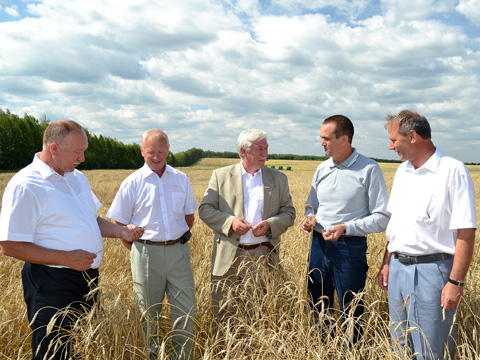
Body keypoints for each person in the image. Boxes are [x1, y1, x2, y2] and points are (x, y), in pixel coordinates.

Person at [0, 119, 144, 360]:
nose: (83, 158)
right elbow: (9, 244)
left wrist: (121, 232)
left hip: (87, 279)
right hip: (51, 283)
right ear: (54, 148)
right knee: (54, 352)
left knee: (82, 345)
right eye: (78, 152)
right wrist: (67, 259)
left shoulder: (75, 178)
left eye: (84, 151)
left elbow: (91, 219)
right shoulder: (26, 185)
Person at [377, 110, 476, 360]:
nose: (390, 147)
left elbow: (466, 231)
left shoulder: (453, 171)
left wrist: (456, 282)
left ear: (412, 136)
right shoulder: (402, 172)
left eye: (393, 140)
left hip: (433, 272)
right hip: (398, 269)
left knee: (431, 351)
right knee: (401, 346)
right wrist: (387, 262)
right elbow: (396, 225)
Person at [107, 129, 197, 360]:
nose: (156, 156)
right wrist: (141, 249)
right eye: (150, 152)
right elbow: (120, 224)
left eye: (160, 151)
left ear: (168, 151)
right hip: (145, 254)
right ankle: (152, 356)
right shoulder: (132, 182)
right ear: (142, 151)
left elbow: (189, 219)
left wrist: (173, 241)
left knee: (185, 312)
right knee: (148, 314)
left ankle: (182, 357)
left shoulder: (181, 178)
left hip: (179, 252)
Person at [301, 115, 390, 342]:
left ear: (344, 139)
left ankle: (353, 352)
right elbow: (311, 206)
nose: (322, 143)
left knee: (351, 308)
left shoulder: (369, 169)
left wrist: (346, 227)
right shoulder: (322, 169)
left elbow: (382, 217)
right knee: (318, 303)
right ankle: (323, 350)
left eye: (326, 138)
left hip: (350, 248)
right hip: (318, 245)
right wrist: (309, 219)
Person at [199, 128, 296, 321]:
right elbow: (205, 209)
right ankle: (225, 350)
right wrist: (231, 222)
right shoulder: (221, 175)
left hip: (263, 256)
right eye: (259, 148)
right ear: (243, 151)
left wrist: (270, 224)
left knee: (259, 315)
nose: (265, 153)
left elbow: (289, 213)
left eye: (266, 148)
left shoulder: (278, 179)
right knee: (224, 315)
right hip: (228, 256)